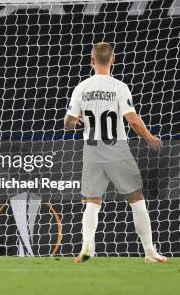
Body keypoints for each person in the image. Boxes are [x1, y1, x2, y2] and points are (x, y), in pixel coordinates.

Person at [64, 42, 166, 263]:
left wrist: (76, 119)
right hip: (116, 147)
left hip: (91, 149)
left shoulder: (81, 87)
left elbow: (69, 123)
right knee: (136, 199)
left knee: (92, 201)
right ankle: (149, 252)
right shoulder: (119, 87)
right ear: (114, 60)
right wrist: (149, 137)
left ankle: (87, 246)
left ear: (91, 61)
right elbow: (132, 119)